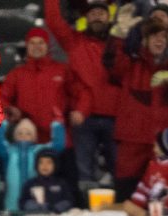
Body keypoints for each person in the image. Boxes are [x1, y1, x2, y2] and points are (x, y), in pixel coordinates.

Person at [104, 14, 168, 201]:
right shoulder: (132, 66)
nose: (159, 40)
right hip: (133, 144)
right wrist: (118, 35)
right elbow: (111, 62)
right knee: (128, 197)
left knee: (167, 201)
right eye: (154, 36)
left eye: (163, 36)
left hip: (167, 147)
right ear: (145, 40)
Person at [45, 0, 121, 189]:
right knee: (84, 173)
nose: (97, 16)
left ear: (109, 16)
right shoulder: (74, 42)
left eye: (101, 12)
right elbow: (53, 20)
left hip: (116, 116)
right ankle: (86, 210)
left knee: (119, 171)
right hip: (84, 116)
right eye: (92, 12)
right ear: (85, 18)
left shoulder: (120, 43)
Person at [0, 26, 89, 145]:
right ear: (27, 46)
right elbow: (1, 98)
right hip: (27, 140)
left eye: (41, 42)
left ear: (47, 46)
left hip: (59, 139)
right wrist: (9, 109)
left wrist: (80, 111)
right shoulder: (17, 74)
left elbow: (83, 92)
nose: (37, 47)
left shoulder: (62, 70)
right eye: (32, 43)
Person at [0, 118, 65, 212]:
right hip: (12, 202)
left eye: (28, 133)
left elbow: (57, 146)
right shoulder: (9, 151)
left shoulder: (39, 150)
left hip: (34, 202)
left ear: (34, 137)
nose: (23, 136)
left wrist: (57, 125)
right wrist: (1, 123)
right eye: (20, 133)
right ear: (14, 136)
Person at [19, 148, 75, 213]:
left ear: (55, 165)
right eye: (41, 162)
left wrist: (54, 208)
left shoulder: (61, 183)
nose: (44, 166)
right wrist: (36, 207)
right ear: (36, 165)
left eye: (49, 162)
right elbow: (22, 203)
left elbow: (69, 201)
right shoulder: (30, 183)